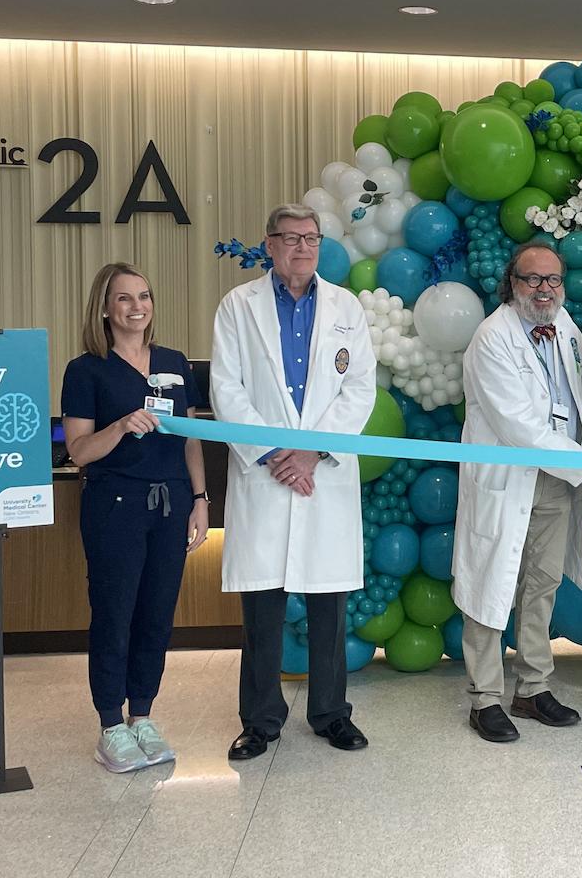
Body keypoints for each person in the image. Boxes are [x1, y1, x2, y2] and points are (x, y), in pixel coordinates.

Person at [211, 203, 376, 760]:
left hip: (322, 474)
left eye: (311, 238)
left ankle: (331, 714)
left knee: (329, 604)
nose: (302, 249)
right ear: (270, 244)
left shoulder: (347, 307)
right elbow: (225, 388)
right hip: (266, 474)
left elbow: (360, 390)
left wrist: (310, 453)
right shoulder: (238, 306)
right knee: (263, 607)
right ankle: (259, 721)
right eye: (290, 239)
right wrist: (277, 454)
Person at [62, 263, 209, 773]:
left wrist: (201, 498)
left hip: (170, 505)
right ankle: (111, 724)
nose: (136, 306)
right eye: (123, 298)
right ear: (105, 308)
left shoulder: (173, 362)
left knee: (156, 615)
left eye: (143, 296)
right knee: (114, 614)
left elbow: (189, 438)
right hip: (115, 507)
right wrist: (122, 426)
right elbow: (79, 450)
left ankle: (143, 714)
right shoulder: (87, 370)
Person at [452, 244, 582, 743]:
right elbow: (519, 425)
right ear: (511, 283)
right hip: (509, 478)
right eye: (532, 279)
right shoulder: (492, 338)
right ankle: (484, 697)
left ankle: (533, 687)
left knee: (542, 584)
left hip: (555, 480)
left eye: (553, 280)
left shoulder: (564, 328)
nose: (544, 289)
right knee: (489, 583)